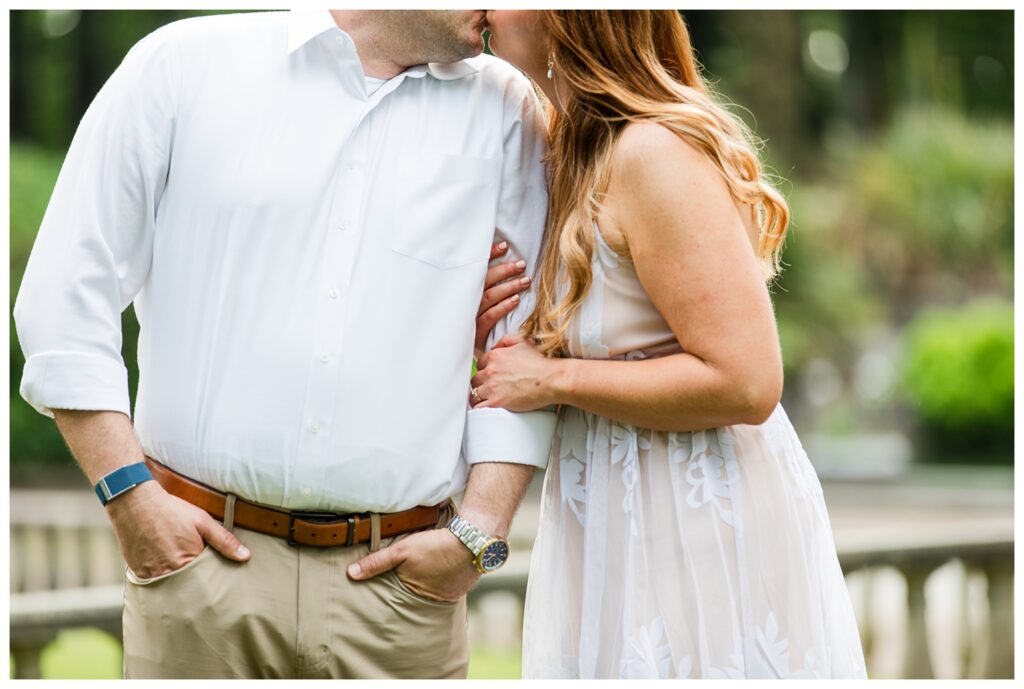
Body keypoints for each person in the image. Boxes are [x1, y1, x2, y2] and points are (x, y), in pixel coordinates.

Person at [14, 9, 552, 679]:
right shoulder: (181, 65)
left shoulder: (506, 110)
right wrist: (132, 499)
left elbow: (529, 341)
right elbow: (65, 294)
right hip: (198, 581)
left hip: (402, 600)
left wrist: (478, 536)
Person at [475, 10, 868, 679]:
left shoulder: (652, 152)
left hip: (696, 521)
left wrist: (553, 381)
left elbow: (747, 381)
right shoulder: (571, 148)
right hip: (614, 516)